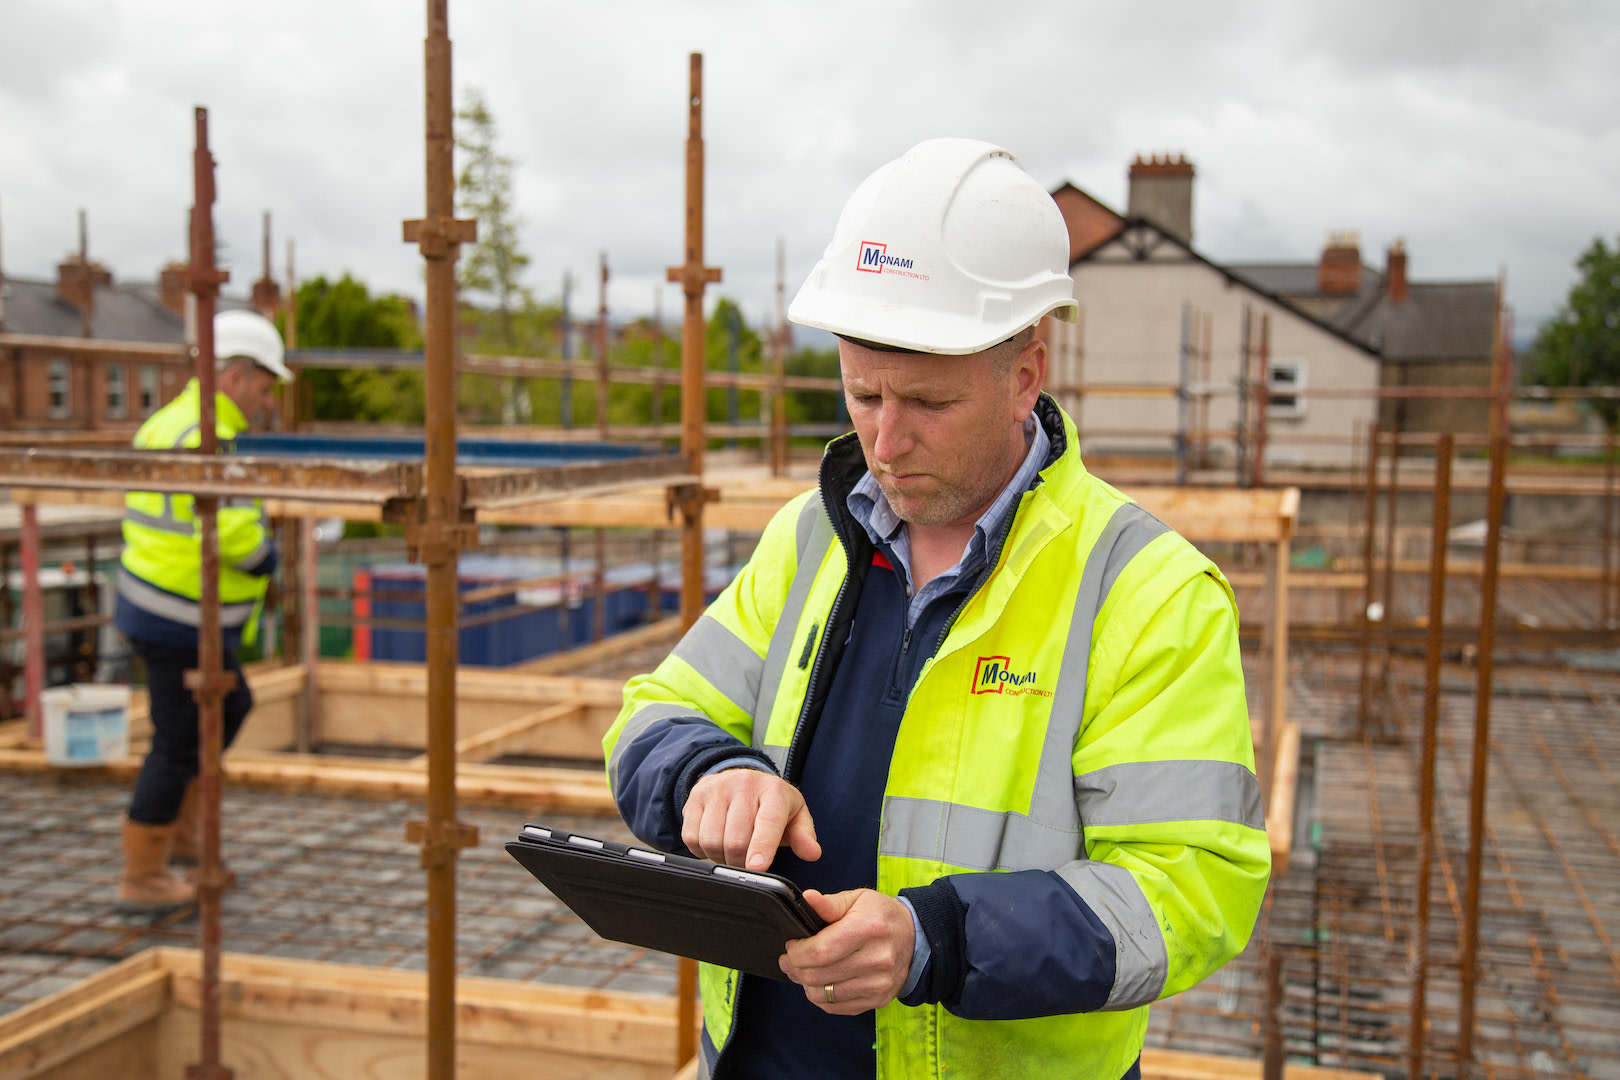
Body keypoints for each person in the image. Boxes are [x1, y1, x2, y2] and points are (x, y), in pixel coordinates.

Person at [603, 139, 1270, 1079]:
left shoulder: (1145, 591)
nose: (884, 439)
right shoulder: (811, 537)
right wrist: (710, 772)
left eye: (927, 401)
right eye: (862, 392)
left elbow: (1194, 888)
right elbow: (650, 717)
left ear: (1027, 374)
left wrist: (936, 940)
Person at [114, 308, 293, 912]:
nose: (267, 402)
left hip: (164, 606)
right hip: (179, 617)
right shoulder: (205, 435)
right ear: (235, 377)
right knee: (178, 743)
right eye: (264, 389)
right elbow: (238, 540)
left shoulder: (171, 423)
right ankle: (143, 877)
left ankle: (184, 837)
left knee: (230, 704)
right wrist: (270, 559)